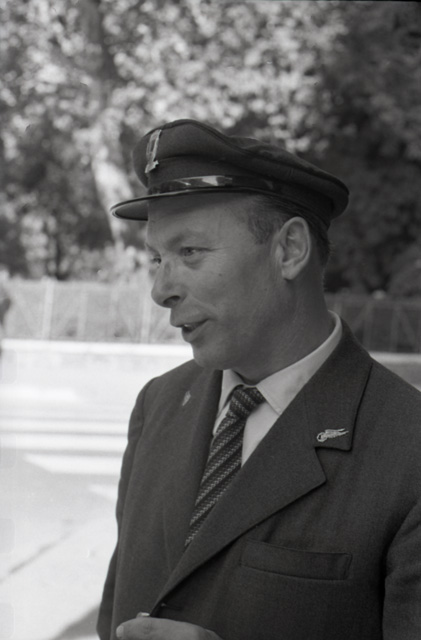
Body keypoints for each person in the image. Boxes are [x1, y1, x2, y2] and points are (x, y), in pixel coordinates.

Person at [98, 119, 421, 640]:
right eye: (157, 258)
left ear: (289, 249)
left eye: (190, 252)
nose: (160, 290)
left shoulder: (407, 447)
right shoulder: (159, 403)